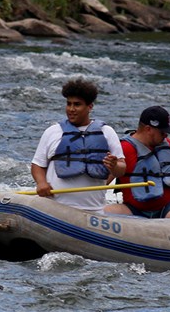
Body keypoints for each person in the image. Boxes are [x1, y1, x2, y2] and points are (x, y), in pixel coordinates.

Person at [31, 78, 126, 213]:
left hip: (94, 210)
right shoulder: (52, 132)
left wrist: (114, 166)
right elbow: (38, 165)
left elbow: (121, 169)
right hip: (55, 207)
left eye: (77, 104)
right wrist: (41, 183)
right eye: (68, 104)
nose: (71, 109)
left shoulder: (107, 132)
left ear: (90, 107)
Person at [104, 105, 170, 218]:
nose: (165, 135)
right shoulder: (125, 148)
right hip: (135, 209)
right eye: (162, 132)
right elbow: (104, 181)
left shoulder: (164, 142)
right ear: (148, 129)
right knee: (103, 211)